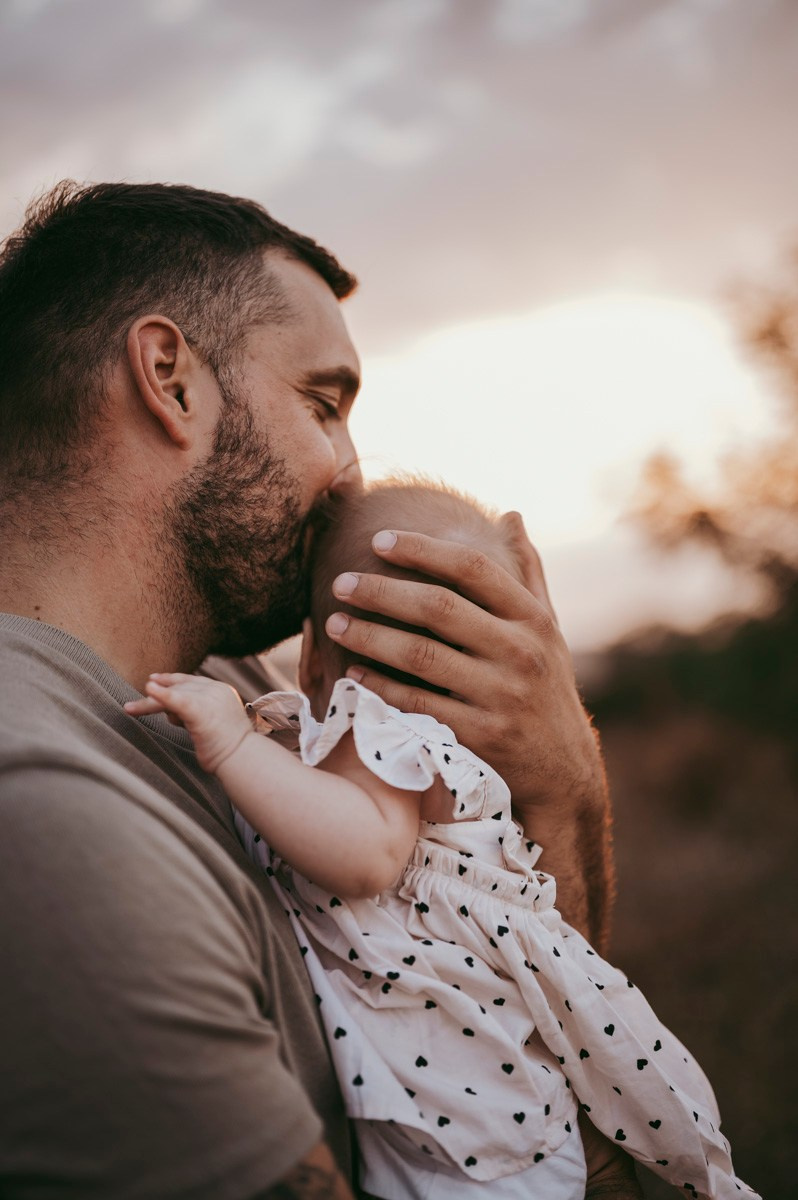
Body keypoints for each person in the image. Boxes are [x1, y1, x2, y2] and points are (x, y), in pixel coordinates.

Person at [1, 181, 623, 1198]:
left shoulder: (236, 688)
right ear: (171, 378)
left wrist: (560, 783)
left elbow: (504, 1065)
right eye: (322, 404)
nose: (346, 472)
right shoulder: (44, 811)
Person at [126, 479, 758, 1200]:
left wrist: (235, 744)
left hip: (467, 1136)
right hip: (497, 1122)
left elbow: (364, 855)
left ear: (312, 663)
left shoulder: (388, 735)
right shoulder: (457, 773)